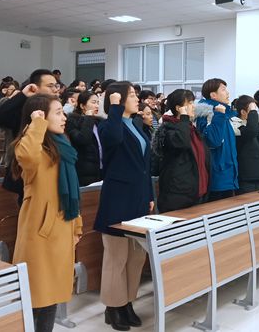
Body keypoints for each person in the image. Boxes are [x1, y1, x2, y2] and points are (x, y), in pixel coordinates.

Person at [11, 94, 82, 331]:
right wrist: (36, 123)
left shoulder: (63, 148)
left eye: (63, 112)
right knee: (34, 296)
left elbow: (72, 194)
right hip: (40, 236)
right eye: (58, 113)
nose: (64, 118)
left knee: (52, 297)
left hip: (62, 230)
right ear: (40, 116)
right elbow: (27, 156)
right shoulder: (30, 146)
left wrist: (77, 226)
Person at [95, 81, 153, 331]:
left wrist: (149, 194)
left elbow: (145, 166)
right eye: (131, 95)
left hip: (138, 197)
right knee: (116, 257)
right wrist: (115, 107)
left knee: (136, 256)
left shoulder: (137, 126)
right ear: (116, 99)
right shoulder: (108, 125)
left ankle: (127, 302)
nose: (137, 98)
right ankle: (113, 307)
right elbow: (114, 138)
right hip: (117, 199)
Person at [0, 69, 60, 203]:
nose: (55, 89)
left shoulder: (56, 108)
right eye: (50, 86)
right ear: (35, 87)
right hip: (28, 172)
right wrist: (22, 95)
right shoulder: (25, 109)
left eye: (56, 85)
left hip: (51, 168)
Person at [153, 89, 209, 212]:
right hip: (178, 195)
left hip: (197, 192)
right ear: (179, 108)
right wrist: (184, 117)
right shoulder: (168, 129)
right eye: (189, 103)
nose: (194, 106)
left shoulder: (191, 129)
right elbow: (181, 142)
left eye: (193, 102)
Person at [195, 78, 238, 201]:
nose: (227, 93)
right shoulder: (207, 113)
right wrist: (219, 114)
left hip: (229, 173)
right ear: (213, 95)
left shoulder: (225, 114)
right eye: (223, 90)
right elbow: (213, 140)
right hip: (217, 175)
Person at [65, 91, 103, 186]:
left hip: (100, 169)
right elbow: (83, 139)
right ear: (82, 106)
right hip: (84, 171)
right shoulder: (72, 121)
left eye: (98, 103)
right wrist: (88, 118)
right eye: (93, 102)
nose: (97, 106)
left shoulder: (98, 121)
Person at [231, 95, 259, 193]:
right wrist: (253, 112)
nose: (255, 113)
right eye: (252, 110)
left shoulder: (253, 124)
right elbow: (251, 131)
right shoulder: (235, 124)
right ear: (243, 112)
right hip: (246, 175)